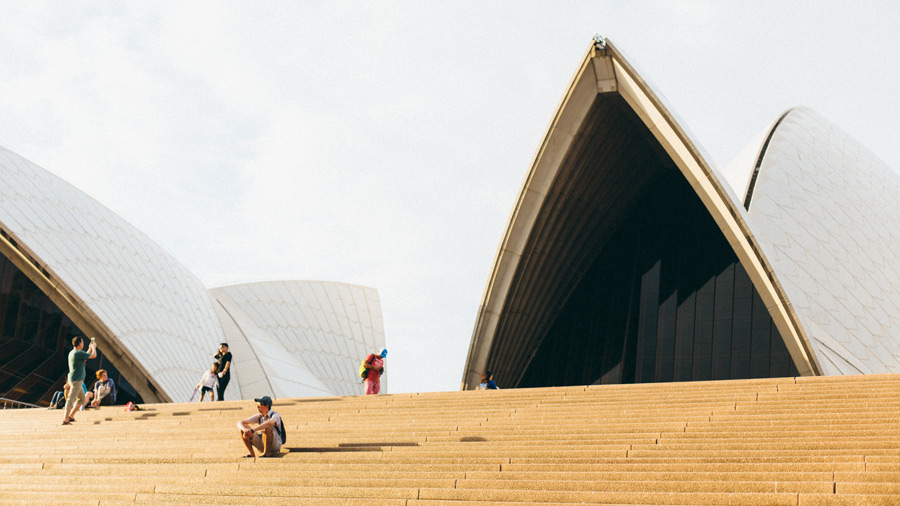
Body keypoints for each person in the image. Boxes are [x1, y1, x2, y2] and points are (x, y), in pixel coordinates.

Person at [63, 336, 96, 425]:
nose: (83, 344)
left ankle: (71, 416)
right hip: (77, 380)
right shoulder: (78, 353)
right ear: (80, 343)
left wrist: (89, 349)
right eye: (82, 342)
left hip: (75, 379)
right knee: (71, 399)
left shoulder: (73, 353)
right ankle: (65, 419)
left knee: (81, 399)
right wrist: (93, 348)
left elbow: (85, 358)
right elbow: (94, 355)